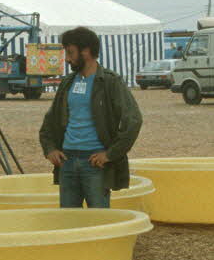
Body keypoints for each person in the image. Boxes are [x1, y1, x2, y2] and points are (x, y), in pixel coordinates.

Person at [38, 27, 142, 208]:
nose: (68, 59)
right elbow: (49, 121)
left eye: (70, 53)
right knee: (69, 222)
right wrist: (50, 149)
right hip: (67, 162)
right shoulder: (68, 83)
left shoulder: (110, 81)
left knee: (99, 219)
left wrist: (110, 154)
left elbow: (133, 120)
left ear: (86, 51)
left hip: (95, 165)